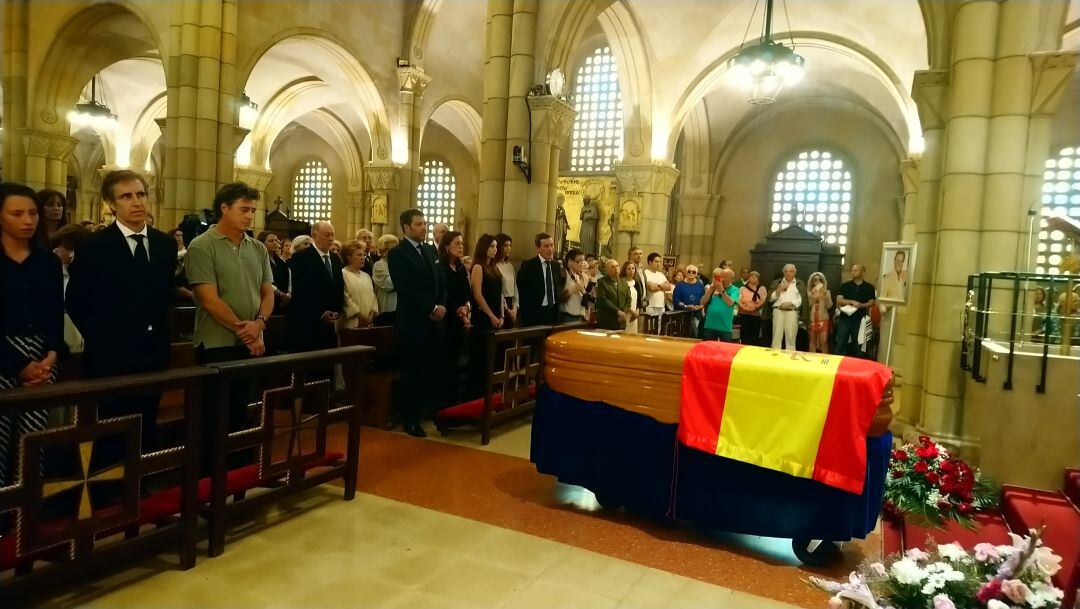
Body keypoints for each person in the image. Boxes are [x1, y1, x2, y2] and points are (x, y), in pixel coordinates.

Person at [66, 170, 177, 455]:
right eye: (126, 196)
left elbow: (165, 294)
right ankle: (111, 490)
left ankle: (142, 484)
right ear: (111, 204)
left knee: (146, 422)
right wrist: (104, 334)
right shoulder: (94, 246)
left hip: (153, 353)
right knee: (112, 427)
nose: (136, 202)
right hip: (110, 356)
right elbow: (76, 301)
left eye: (140, 194)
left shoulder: (164, 244)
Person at [185, 182, 275, 472]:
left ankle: (240, 474)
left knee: (244, 412)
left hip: (250, 342)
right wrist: (247, 332)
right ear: (223, 208)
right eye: (243, 209)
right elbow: (209, 300)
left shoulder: (258, 248)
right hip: (217, 344)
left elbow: (268, 293)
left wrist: (259, 324)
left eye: (253, 210)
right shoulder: (202, 245)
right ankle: (210, 480)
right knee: (214, 417)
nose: (250, 216)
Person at [0, 182, 64, 487]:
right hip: (3, 352)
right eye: (17, 213)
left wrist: (50, 354)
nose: (28, 220)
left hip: (40, 356)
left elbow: (55, 312)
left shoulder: (46, 261)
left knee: (32, 441)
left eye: (32, 213)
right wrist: (18, 364)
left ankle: (25, 513)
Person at [386, 209, 446, 437]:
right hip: (412, 322)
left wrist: (441, 305)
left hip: (434, 321)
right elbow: (405, 288)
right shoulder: (398, 254)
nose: (424, 227)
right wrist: (431, 308)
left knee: (431, 369)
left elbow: (440, 281)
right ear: (406, 227)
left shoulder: (430, 250)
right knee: (412, 372)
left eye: (425, 223)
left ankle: (428, 411)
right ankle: (410, 420)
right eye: (419, 224)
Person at [286, 221, 345, 357]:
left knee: (327, 367)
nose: (331, 238)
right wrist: (320, 313)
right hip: (308, 323)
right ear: (314, 235)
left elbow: (339, 288)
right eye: (326, 235)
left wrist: (337, 311)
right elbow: (301, 292)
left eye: (333, 235)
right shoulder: (301, 258)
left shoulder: (335, 259)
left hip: (330, 325)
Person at [469, 233, 506, 394]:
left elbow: (500, 295)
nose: (495, 249)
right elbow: (477, 294)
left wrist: (502, 315)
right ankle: (478, 395)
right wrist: (491, 316)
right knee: (481, 358)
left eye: (496, 246)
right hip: (483, 318)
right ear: (484, 247)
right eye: (491, 246)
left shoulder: (495, 268)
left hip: (497, 317)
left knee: (494, 358)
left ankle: (492, 393)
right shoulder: (478, 267)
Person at [439, 231, 471, 407]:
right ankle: (444, 403)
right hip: (446, 321)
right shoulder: (441, 268)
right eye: (457, 243)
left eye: (462, 243)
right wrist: (457, 310)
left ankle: (454, 401)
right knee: (446, 363)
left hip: (459, 319)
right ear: (446, 246)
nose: (461, 246)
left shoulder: (460, 267)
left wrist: (466, 307)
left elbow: (467, 292)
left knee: (457, 361)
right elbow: (442, 294)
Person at [517, 232, 563, 327]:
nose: (550, 249)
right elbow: (521, 291)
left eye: (551, 245)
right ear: (538, 248)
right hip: (535, 315)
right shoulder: (528, 266)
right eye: (546, 246)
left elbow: (557, 288)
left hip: (553, 313)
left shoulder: (556, 265)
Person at [834, 263, 876, 357]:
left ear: (863, 272)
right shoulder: (845, 285)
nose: (853, 272)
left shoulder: (869, 287)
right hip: (845, 319)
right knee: (840, 343)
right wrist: (851, 302)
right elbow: (839, 300)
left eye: (856, 270)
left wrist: (861, 305)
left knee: (857, 345)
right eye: (852, 270)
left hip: (860, 320)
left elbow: (872, 302)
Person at [767, 263, 809, 351]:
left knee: (791, 338)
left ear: (795, 273)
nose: (788, 273)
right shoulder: (777, 282)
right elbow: (770, 299)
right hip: (778, 311)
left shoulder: (800, 283)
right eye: (786, 271)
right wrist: (779, 290)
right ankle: (774, 359)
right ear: (783, 273)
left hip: (792, 312)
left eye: (791, 271)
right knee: (776, 337)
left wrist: (791, 303)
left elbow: (802, 299)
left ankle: (789, 359)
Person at [341, 240, 378, 330]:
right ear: (349, 257)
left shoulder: (366, 276)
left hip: (369, 324)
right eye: (359, 255)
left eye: (364, 255)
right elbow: (346, 300)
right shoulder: (343, 274)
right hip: (351, 324)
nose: (363, 258)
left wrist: (370, 316)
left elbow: (373, 298)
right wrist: (362, 317)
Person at [257, 231, 291, 314]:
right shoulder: (258, 260)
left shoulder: (281, 262)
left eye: (276, 240)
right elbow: (262, 279)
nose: (275, 243)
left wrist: (287, 295)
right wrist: (279, 293)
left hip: (283, 302)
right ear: (262, 243)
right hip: (266, 299)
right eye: (271, 241)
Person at [701, 268, 739, 342]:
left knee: (725, 351)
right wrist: (711, 289)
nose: (722, 279)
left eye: (725, 277)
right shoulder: (713, 288)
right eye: (721, 277)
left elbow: (730, 303)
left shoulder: (735, 290)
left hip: (725, 327)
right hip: (709, 326)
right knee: (708, 351)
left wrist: (721, 290)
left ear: (731, 279)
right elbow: (702, 302)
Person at [595, 258, 632, 331]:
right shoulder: (602, 282)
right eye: (613, 267)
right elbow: (603, 300)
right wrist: (618, 311)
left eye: (617, 266)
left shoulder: (623, 282)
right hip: (607, 320)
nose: (616, 269)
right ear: (607, 270)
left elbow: (628, 299)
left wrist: (624, 313)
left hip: (621, 321)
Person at [372, 233, 399, 326]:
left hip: (399, 309)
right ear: (384, 251)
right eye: (393, 249)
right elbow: (389, 284)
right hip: (386, 310)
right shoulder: (379, 265)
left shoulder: (397, 264)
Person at [737, 270, 767, 346]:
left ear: (758, 278)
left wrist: (756, 307)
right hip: (744, 315)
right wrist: (744, 308)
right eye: (751, 276)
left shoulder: (762, 288)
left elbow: (763, 300)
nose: (753, 277)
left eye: (755, 276)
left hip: (756, 315)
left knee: (754, 337)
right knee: (744, 336)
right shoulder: (742, 288)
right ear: (748, 278)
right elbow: (738, 300)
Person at [673, 265, 706, 335]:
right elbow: (675, 299)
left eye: (693, 272)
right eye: (689, 271)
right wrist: (685, 306)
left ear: (696, 274)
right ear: (686, 273)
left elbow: (704, 299)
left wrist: (701, 306)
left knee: (697, 334)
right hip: (682, 315)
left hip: (697, 314)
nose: (691, 273)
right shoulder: (679, 285)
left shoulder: (700, 286)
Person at [495, 233, 519, 326]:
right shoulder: (495, 266)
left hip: (511, 304)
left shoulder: (509, 265)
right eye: (505, 245)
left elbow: (515, 288)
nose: (509, 248)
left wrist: (515, 308)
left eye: (510, 245)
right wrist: (507, 310)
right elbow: (498, 290)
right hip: (500, 305)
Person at [560, 248, 589, 323]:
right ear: (570, 261)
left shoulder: (579, 274)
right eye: (579, 261)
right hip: (567, 316)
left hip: (580, 315)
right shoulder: (563, 273)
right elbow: (558, 298)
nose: (582, 264)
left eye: (583, 261)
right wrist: (573, 290)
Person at [807, 271, 833, 353]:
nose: (817, 281)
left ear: (823, 281)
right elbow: (807, 306)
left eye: (820, 280)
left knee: (824, 342)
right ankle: (812, 359)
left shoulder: (827, 292)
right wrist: (812, 296)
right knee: (812, 341)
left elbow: (829, 305)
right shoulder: (808, 292)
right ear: (812, 282)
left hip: (823, 318)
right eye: (815, 280)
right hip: (812, 318)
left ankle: (824, 360)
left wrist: (824, 296)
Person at [643, 253, 672, 323]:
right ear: (650, 262)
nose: (658, 264)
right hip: (650, 306)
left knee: (659, 328)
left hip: (661, 305)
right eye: (656, 261)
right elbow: (651, 287)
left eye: (660, 262)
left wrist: (658, 285)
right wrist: (662, 286)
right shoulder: (645, 273)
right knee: (649, 327)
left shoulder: (661, 274)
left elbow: (668, 287)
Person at [621, 260, 641, 334]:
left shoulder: (636, 283)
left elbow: (639, 300)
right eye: (629, 269)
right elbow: (622, 301)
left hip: (635, 315)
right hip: (625, 314)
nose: (631, 271)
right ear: (624, 270)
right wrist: (632, 312)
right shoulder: (622, 282)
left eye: (633, 268)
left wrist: (637, 312)